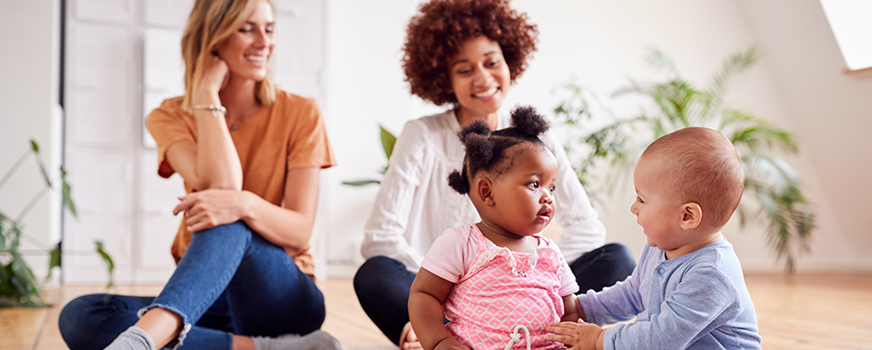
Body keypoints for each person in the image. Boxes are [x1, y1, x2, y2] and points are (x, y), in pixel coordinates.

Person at [57, 0, 340, 349]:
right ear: (213, 38)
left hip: (281, 297)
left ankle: (143, 341)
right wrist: (206, 93)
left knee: (227, 215)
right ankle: (266, 348)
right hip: (211, 296)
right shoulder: (170, 115)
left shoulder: (301, 112)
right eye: (246, 28)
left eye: (268, 29)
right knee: (83, 314)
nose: (264, 42)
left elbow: (296, 230)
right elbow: (222, 184)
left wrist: (244, 204)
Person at [353, 0, 635, 348]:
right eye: (465, 69)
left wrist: (530, 268)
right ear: (445, 78)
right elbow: (380, 238)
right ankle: (429, 334)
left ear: (509, 61)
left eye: (491, 62)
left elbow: (588, 228)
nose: (484, 78)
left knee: (617, 258)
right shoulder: (421, 135)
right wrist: (455, 280)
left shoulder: (534, 140)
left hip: (528, 290)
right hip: (439, 289)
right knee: (374, 274)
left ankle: (539, 326)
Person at [546, 127, 763, 350]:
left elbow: (660, 340)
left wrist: (598, 340)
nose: (634, 208)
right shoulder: (660, 247)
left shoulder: (712, 274)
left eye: (642, 199)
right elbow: (633, 294)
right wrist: (583, 308)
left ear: (687, 216)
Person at [409, 107, 580, 350]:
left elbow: (569, 311)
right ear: (486, 192)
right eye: (535, 184)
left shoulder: (550, 253)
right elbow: (425, 295)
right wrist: (439, 342)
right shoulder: (462, 243)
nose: (548, 197)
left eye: (551, 187)